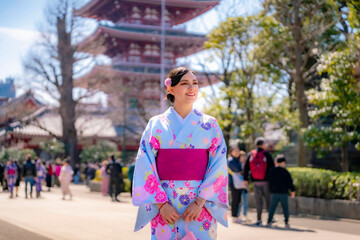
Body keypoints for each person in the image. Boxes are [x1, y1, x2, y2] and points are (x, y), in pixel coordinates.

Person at [132, 67, 229, 239]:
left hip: (200, 205)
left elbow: (219, 165)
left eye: (195, 83)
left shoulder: (210, 125)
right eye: (185, 83)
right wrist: (162, 205)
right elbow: (143, 164)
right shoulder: (156, 124)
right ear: (171, 89)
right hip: (165, 202)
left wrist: (199, 202)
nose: (192, 88)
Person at [243, 137, 275, 226]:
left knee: (258, 201)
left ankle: (259, 219)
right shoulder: (267, 154)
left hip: (255, 182)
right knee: (268, 200)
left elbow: (246, 168)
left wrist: (246, 179)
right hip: (266, 182)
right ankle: (270, 219)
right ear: (262, 144)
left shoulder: (251, 154)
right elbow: (272, 168)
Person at [267, 155, 295, 229]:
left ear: (276, 162)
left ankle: (269, 221)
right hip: (283, 193)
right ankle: (286, 222)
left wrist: (270, 189)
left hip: (274, 193)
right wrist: (292, 190)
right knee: (285, 208)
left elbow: (268, 180)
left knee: (272, 207)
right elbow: (290, 182)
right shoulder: (285, 172)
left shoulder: (272, 170)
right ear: (283, 162)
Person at [228, 145, 243, 224]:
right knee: (235, 199)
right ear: (231, 152)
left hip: (237, 182)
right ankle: (234, 216)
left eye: (238, 150)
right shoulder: (231, 160)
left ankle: (236, 215)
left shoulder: (237, 160)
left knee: (238, 199)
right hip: (233, 182)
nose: (237, 152)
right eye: (235, 151)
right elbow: (238, 170)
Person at [238, 151, 250, 222]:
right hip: (239, 185)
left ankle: (245, 215)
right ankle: (238, 214)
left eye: (244, 156)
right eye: (242, 156)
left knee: (245, 200)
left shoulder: (246, 164)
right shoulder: (237, 164)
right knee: (239, 200)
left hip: (245, 184)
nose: (244, 158)